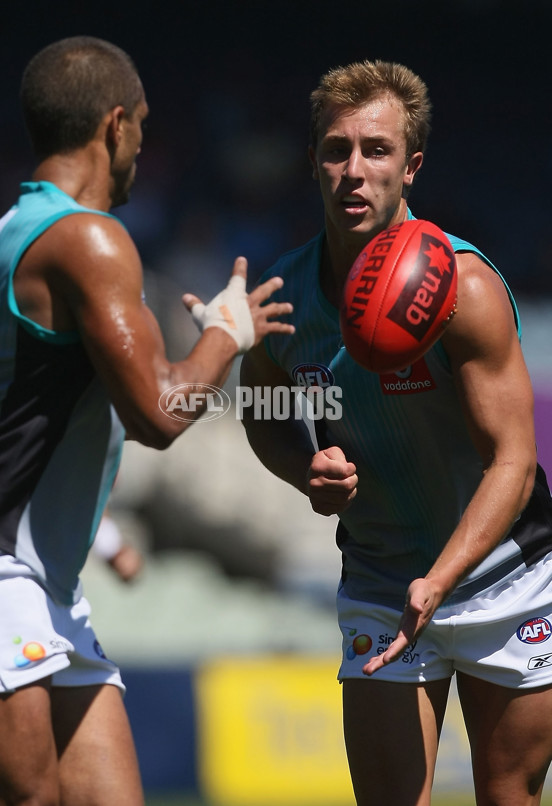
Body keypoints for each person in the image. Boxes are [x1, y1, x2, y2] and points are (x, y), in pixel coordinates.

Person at [0, 36, 294, 806]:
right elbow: (160, 415)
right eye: (141, 124)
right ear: (115, 126)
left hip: (44, 585)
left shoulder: (2, 242)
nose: (144, 142)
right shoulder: (89, 239)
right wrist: (228, 334)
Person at [240, 60, 552, 806]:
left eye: (375, 150)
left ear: (410, 167)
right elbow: (263, 414)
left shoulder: (465, 288)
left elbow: (514, 458)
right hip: (382, 577)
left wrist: (441, 581)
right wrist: (304, 469)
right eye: (336, 149)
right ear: (313, 161)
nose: (354, 171)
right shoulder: (284, 300)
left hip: (503, 577)